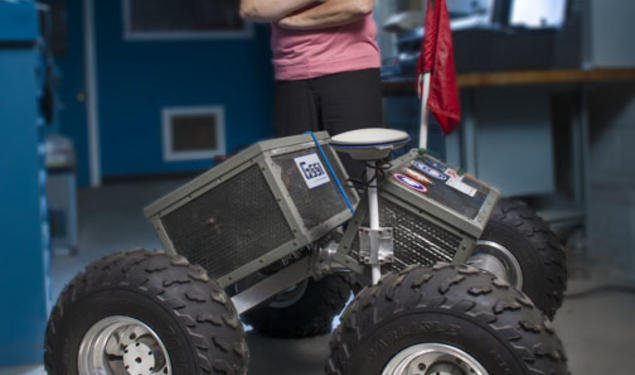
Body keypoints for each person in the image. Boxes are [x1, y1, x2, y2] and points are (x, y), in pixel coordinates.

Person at [240, 0, 383, 176]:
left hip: (350, 67)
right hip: (291, 72)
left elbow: (358, 5)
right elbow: (252, 8)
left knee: (360, 176)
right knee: (298, 181)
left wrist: (289, 18)